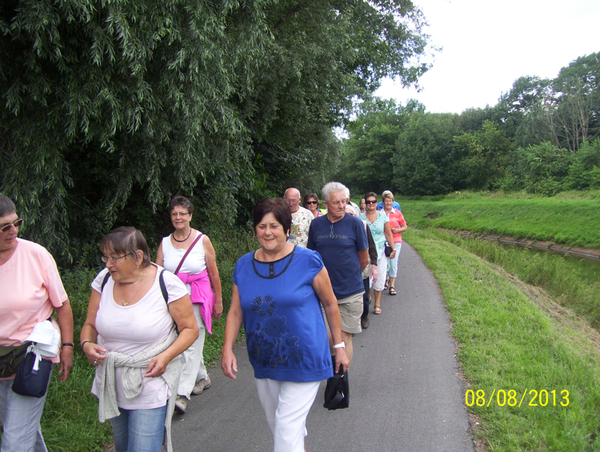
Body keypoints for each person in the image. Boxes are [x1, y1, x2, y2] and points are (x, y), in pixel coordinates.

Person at [221, 198, 349, 452]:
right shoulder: (244, 265)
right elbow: (236, 311)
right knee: (280, 426)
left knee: (285, 426)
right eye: (261, 226)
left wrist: (340, 346)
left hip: (305, 357)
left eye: (274, 226)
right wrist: (227, 348)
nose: (267, 232)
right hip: (264, 358)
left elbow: (331, 304)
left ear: (287, 229)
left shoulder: (308, 261)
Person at [80, 227, 198, 452]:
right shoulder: (104, 280)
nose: (108, 264)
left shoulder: (167, 283)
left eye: (114, 258)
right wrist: (86, 344)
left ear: (138, 257)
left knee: (143, 448)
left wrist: (166, 356)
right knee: (122, 447)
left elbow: (190, 329)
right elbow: (90, 324)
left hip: (151, 379)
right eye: (105, 257)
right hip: (113, 381)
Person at [0, 194, 74, 452]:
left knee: (13, 442)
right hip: (0, 359)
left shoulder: (35, 254)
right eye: (5, 227)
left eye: (16, 222)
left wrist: (67, 346)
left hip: (33, 356)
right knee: (18, 429)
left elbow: (62, 305)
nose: (14, 231)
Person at [155, 196, 223, 414]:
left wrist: (219, 300)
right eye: (175, 213)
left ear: (190, 216)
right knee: (180, 341)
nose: (178, 217)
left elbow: (213, 272)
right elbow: (157, 274)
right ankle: (202, 377)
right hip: (173, 301)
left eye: (183, 213)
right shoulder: (165, 243)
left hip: (197, 298)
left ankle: (181, 394)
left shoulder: (202, 240)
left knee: (191, 344)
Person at [307, 182, 369, 365]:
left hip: (350, 292)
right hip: (323, 293)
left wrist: (347, 275)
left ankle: (340, 380)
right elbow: (313, 256)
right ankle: (330, 372)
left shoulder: (356, 224)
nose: (342, 206)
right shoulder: (316, 225)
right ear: (325, 204)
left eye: (345, 201)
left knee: (343, 336)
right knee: (327, 337)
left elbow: (364, 259)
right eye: (336, 202)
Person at [359, 192, 396, 315]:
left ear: (376, 203)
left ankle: (377, 303)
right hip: (366, 252)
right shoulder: (360, 218)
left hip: (380, 250)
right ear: (365, 203)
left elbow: (388, 234)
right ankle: (368, 296)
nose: (371, 204)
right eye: (368, 201)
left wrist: (393, 248)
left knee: (379, 277)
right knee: (367, 278)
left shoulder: (383, 217)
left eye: (373, 201)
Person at [345, 205, 378, 330]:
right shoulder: (338, 228)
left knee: (364, 297)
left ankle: (364, 316)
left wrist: (374, 265)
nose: (349, 217)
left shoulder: (363, 225)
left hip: (362, 269)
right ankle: (349, 323)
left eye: (351, 214)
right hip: (346, 270)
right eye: (346, 214)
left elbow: (371, 246)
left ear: (356, 215)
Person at [382, 191, 407, 296]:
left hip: (396, 241)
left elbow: (405, 226)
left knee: (393, 263)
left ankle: (392, 285)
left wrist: (398, 230)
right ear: (383, 202)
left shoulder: (397, 213)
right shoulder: (380, 213)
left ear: (393, 202)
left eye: (390, 201)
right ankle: (385, 279)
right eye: (386, 201)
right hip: (383, 242)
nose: (388, 203)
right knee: (384, 263)